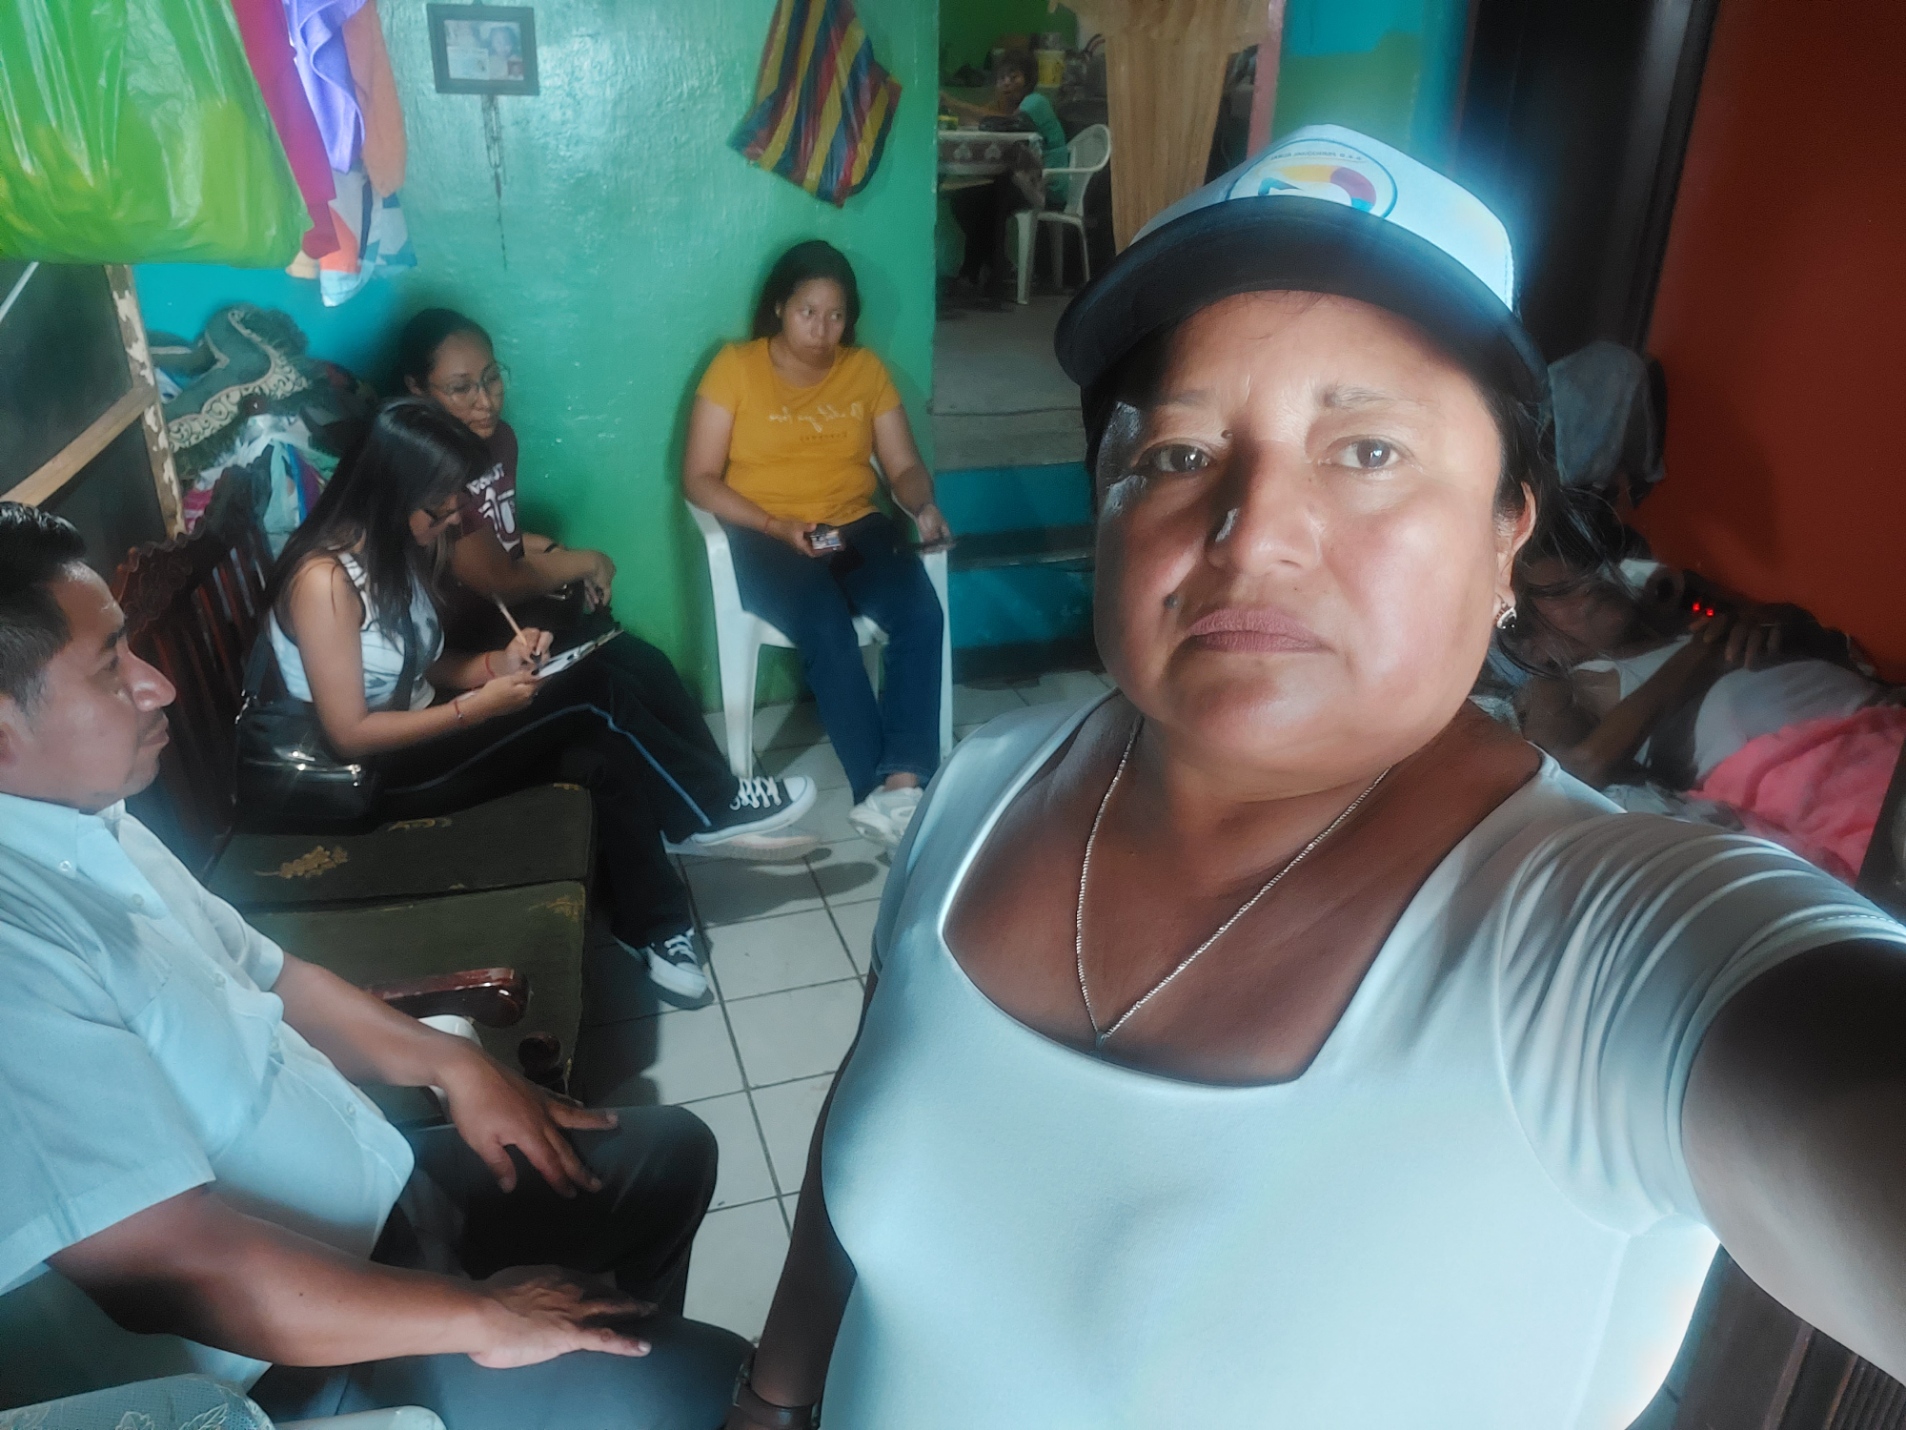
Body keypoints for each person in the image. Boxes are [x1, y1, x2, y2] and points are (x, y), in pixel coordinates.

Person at [720, 127, 1906, 1429]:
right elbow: (864, 1142)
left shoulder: (1592, 951)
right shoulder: (976, 793)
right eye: (1176, 455)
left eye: (1367, 450)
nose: (1252, 533)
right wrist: (773, 1396)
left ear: (1506, 530)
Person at [0, 500, 747, 1425]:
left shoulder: (89, 826)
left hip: (379, 1191)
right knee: (708, 1385)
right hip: (277, 1365)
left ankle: (584, 1370)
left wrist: (455, 1064)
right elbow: (176, 1267)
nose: (159, 686)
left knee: (668, 1157)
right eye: (113, 665)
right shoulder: (14, 954)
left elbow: (275, 977)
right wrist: (482, 1315)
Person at [260, 400, 766, 1001]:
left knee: (598, 749)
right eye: (440, 507)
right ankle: (711, 806)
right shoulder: (324, 580)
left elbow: (420, 663)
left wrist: (494, 665)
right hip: (376, 774)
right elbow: (348, 732)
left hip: (421, 730)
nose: (452, 519)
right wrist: (475, 708)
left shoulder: (393, 549)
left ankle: (655, 927)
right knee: (592, 693)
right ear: (392, 492)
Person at [398, 305, 817, 864]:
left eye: (492, 378)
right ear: (417, 390)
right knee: (608, 682)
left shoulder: (497, 441)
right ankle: (709, 809)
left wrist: (552, 550)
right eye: (460, 388)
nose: (485, 400)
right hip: (468, 643)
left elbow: (500, 537)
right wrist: (586, 561)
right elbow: (495, 576)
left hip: (505, 621)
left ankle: (713, 804)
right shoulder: (430, 470)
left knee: (648, 666)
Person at [683, 241, 948, 850]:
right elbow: (698, 477)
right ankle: (875, 790)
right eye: (808, 312)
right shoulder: (735, 367)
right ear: (780, 307)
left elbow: (904, 466)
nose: (822, 330)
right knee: (825, 625)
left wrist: (923, 505)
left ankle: (903, 784)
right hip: (766, 533)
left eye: (835, 315)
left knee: (918, 612)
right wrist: (775, 525)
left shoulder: (865, 370)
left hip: (852, 527)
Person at [1514, 544, 1900, 881]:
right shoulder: (1562, 688)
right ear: (1536, 647)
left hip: (1887, 724)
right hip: (1838, 792)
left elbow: (1825, 638)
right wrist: (1698, 657)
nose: (1589, 585)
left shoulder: (1690, 622)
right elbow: (1575, 770)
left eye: (1586, 571)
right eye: (1561, 592)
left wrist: (1773, 619)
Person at [939, 51, 1068, 300]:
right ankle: (993, 268)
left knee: (991, 199)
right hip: (1023, 180)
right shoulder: (1008, 106)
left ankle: (985, 275)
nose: (1007, 83)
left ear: (1028, 79)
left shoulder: (1036, 102)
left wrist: (955, 103)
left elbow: (1007, 124)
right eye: (1001, 78)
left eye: (1013, 76)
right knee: (965, 201)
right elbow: (988, 120)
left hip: (1047, 184)